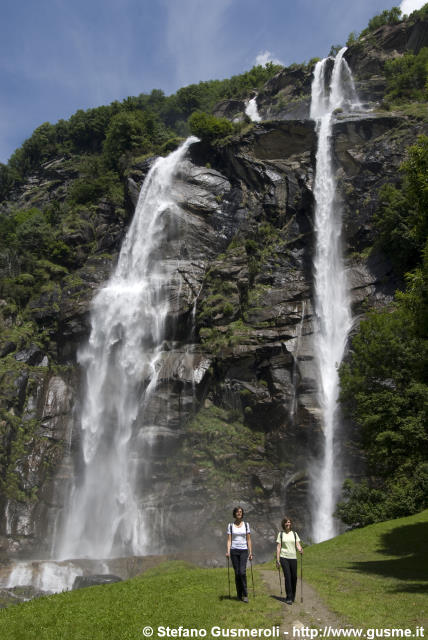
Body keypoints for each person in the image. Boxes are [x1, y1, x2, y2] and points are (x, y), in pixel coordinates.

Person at [226, 506, 253, 602]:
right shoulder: (230, 525)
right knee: (237, 573)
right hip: (234, 551)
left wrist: (250, 552)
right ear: (234, 513)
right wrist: (228, 551)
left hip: (243, 550)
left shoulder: (246, 525)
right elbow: (229, 540)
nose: (239, 513)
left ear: (242, 513)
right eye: (237, 512)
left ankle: (245, 594)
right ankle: (239, 594)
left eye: (240, 512)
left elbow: (249, 539)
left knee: (242, 572)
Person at [276, 516, 303, 605]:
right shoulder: (281, 534)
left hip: (293, 557)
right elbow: (278, 547)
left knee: (294, 577)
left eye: (289, 522)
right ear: (284, 524)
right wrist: (278, 559)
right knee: (287, 577)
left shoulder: (294, 534)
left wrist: (300, 549)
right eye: (286, 522)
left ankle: (293, 596)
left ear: (291, 524)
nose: (288, 524)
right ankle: (288, 597)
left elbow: (297, 544)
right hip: (284, 557)